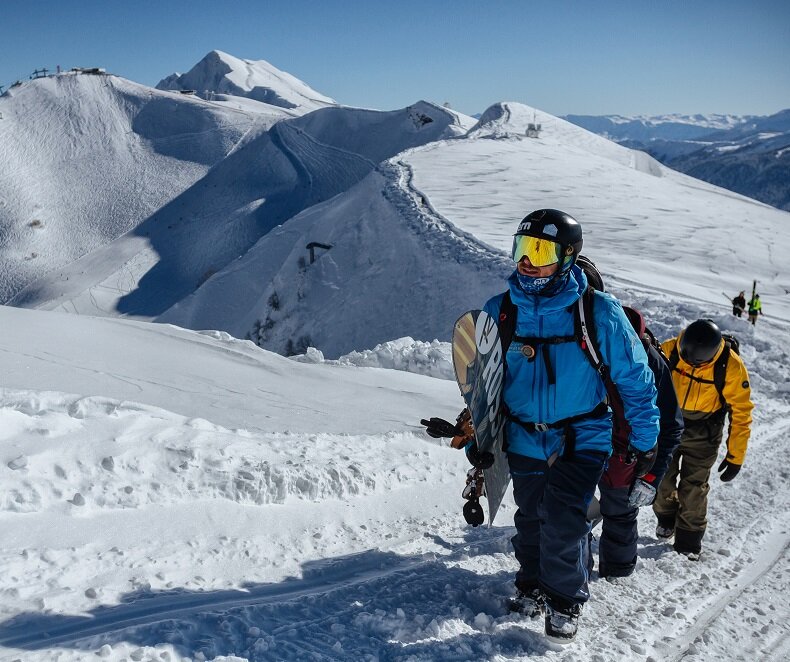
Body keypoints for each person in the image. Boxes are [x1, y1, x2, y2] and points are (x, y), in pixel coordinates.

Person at [461, 210, 660, 643]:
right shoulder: (501, 311)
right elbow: (484, 389)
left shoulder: (598, 312)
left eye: (540, 251)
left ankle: (564, 600)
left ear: (568, 257)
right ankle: (531, 583)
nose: (526, 262)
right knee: (531, 515)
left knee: (564, 517)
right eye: (521, 249)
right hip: (524, 435)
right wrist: (478, 440)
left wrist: (645, 445)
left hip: (582, 433)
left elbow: (636, 382)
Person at [574, 257, 684, 580]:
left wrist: (652, 476)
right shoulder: (557, 344)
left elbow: (671, 422)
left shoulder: (642, 352)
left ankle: (616, 578)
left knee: (619, 512)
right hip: (578, 443)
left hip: (624, 450)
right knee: (570, 511)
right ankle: (572, 576)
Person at [653, 319, 753, 560]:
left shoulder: (730, 365)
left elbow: (741, 412)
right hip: (669, 424)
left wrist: (735, 456)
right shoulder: (670, 350)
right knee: (661, 476)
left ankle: (689, 538)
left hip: (704, 432)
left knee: (694, 486)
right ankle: (666, 516)